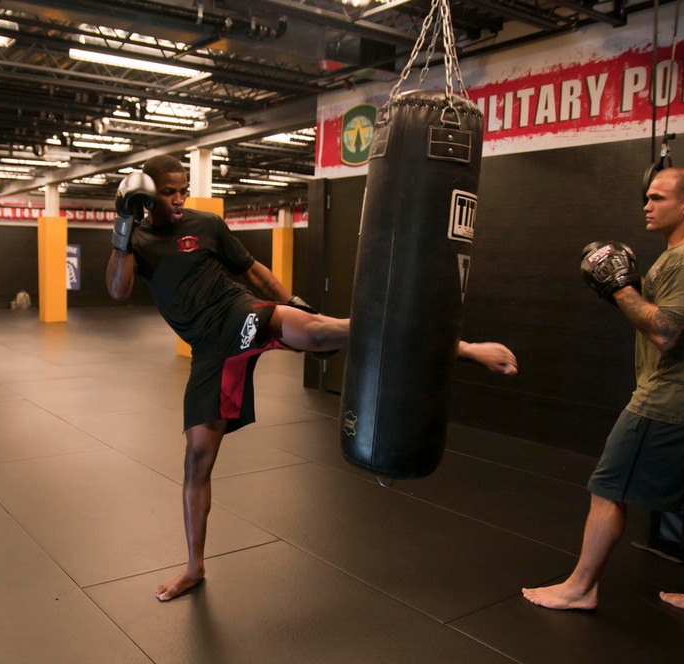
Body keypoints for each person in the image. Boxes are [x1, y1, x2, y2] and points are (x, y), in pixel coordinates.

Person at [106, 154, 519, 602]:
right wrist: (123, 232)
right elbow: (117, 288)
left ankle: (464, 348)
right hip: (207, 353)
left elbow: (254, 273)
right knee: (197, 461)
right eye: (169, 192)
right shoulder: (139, 241)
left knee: (328, 330)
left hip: (238, 313)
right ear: (148, 194)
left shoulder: (207, 224)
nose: (180, 198)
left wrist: (297, 304)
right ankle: (194, 568)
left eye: (183, 188)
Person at [522, 167, 684, 627]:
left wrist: (618, 287)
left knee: (607, 489)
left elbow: (665, 332)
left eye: (658, 197)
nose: (646, 204)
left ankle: (580, 587)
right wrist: (632, 291)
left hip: (672, 400)